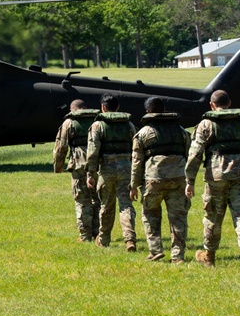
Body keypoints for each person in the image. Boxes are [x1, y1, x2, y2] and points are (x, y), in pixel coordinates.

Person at [185, 89, 240, 270]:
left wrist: (190, 180)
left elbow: (195, 154)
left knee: (213, 216)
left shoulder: (205, 125)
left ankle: (209, 256)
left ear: (212, 105)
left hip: (216, 176)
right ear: (229, 103)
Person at [130, 97, 191, 262]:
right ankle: (178, 255)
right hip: (178, 178)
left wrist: (134, 185)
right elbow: (188, 154)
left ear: (147, 111)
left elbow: (137, 162)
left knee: (150, 214)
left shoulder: (143, 133)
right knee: (178, 217)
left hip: (153, 179)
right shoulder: (181, 131)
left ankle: (155, 250)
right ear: (163, 109)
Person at [86, 94, 138, 251]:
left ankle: (104, 238)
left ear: (103, 107)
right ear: (118, 107)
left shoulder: (98, 126)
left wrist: (91, 174)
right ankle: (130, 239)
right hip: (126, 168)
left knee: (106, 205)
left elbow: (92, 152)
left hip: (107, 169)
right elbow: (135, 149)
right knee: (126, 204)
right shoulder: (129, 125)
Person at [53, 99, 101, 242]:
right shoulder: (97, 121)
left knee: (82, 200)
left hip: (79, 165)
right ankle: (97, 232)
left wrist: (58, 166)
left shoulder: (69, 123)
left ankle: (85, 235)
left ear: (72, 109)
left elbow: (61, 147)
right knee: (97, 199)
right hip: (98, 165)